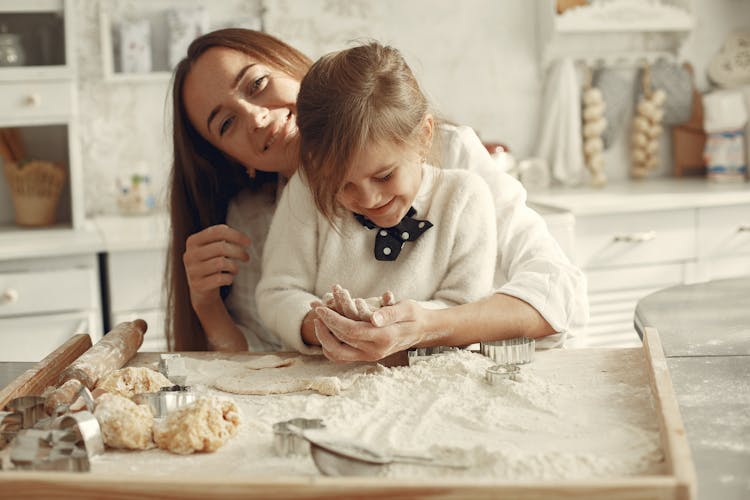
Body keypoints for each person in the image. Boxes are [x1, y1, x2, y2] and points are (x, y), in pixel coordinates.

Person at [166, 28, 588, 359]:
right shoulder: (254, 220)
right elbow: (262, 363)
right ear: (232, 158)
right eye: (225, 124)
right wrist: (206, 306)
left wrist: (427, 326)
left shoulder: (454, 161)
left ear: (293, 68)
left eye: (257, 83)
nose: (256, 118)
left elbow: (560, 294)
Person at [255, 42, 498, 356]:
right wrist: (323, 324)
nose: (368, 199)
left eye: (384, 176)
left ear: (424, 136)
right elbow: (277, 293)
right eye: (343, 185)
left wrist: (400, 325)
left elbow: (465, 309)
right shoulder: (307, 191)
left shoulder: (464, 199)